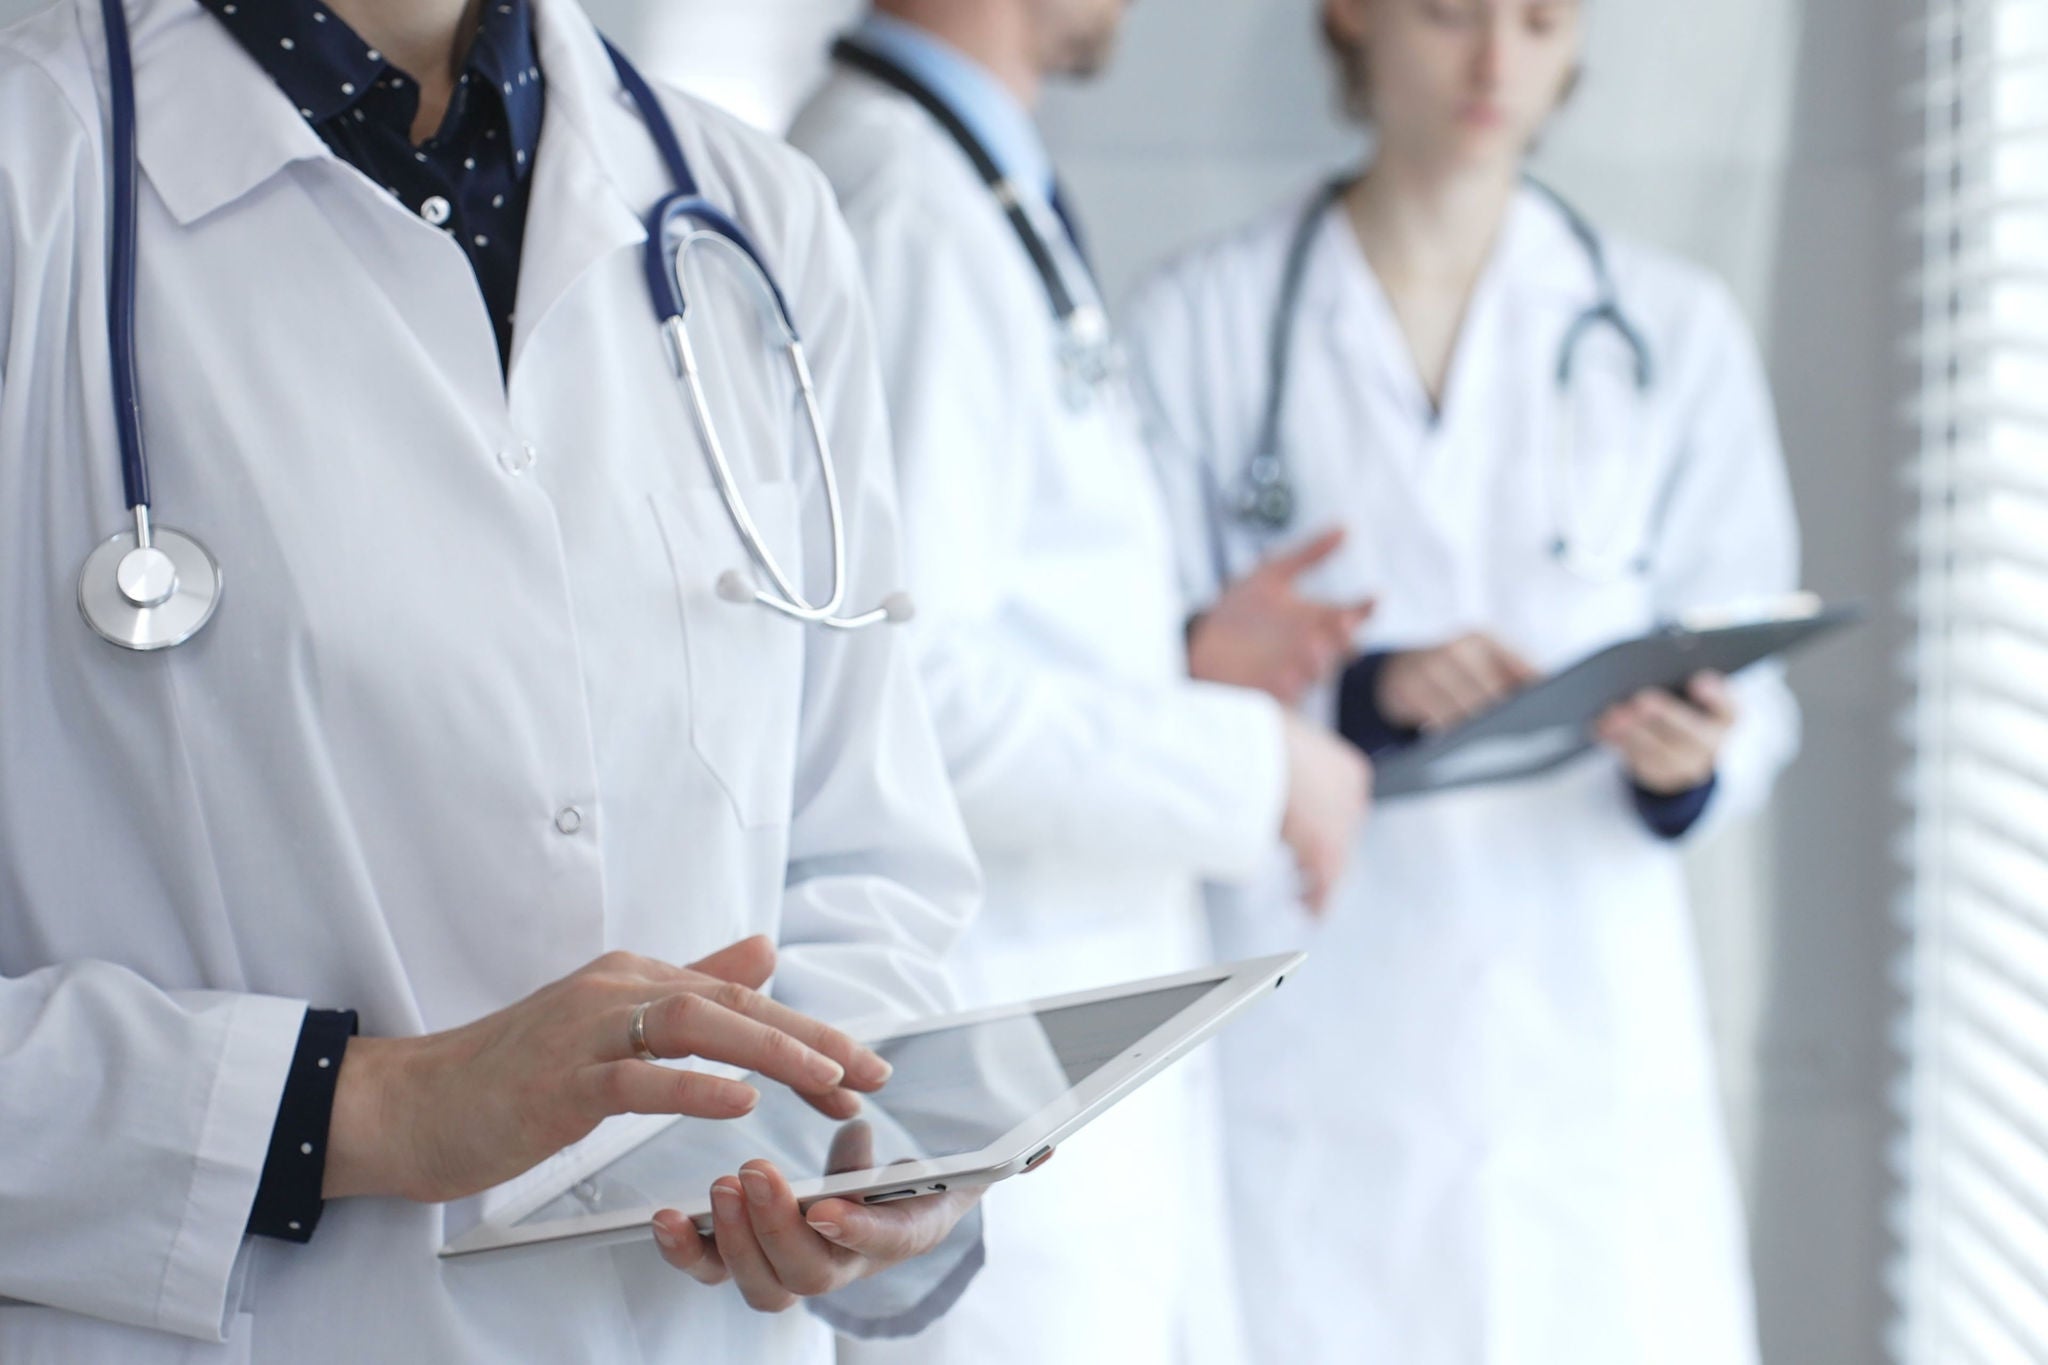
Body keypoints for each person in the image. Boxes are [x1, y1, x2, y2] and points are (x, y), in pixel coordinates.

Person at [0, 0, 993, 1358]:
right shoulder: (34, 168)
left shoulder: (757, 215)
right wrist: (372, 1105)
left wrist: (868, 1159)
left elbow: (870, 862)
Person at [1123, 1, 1803, 1361]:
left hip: (1588, 1050)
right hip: (1319, 1037)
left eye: (1541, 18)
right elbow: (1130, 676)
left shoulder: (1670, 328)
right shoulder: (1203, 321)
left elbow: (1761, 671)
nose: (1499, 63)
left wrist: (1695, 756)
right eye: (1451, 13)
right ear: (1353, 17)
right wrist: (1361, 691)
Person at [787, 4, 1375, 1363]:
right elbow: (902, 693)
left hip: (1053, 1076)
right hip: (990, 1082)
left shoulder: (956, 177)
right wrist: (1258, 764)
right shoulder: (907, 207)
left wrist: (1173, 663)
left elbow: (963, 609)